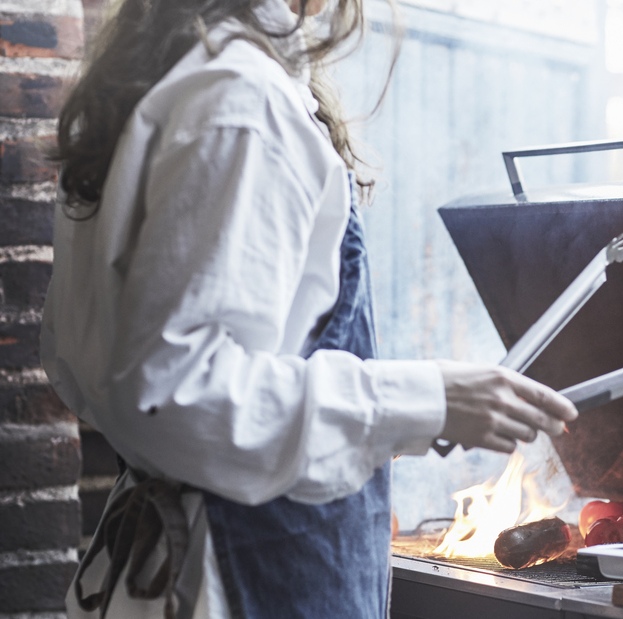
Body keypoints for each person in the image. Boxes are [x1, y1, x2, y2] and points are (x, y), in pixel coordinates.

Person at [42, 0, 578, 616]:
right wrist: (425, 400)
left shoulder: (164, 80)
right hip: (244, 573)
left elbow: (77, 363)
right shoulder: (243, 101)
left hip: (167, 565)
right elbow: (178, 392)